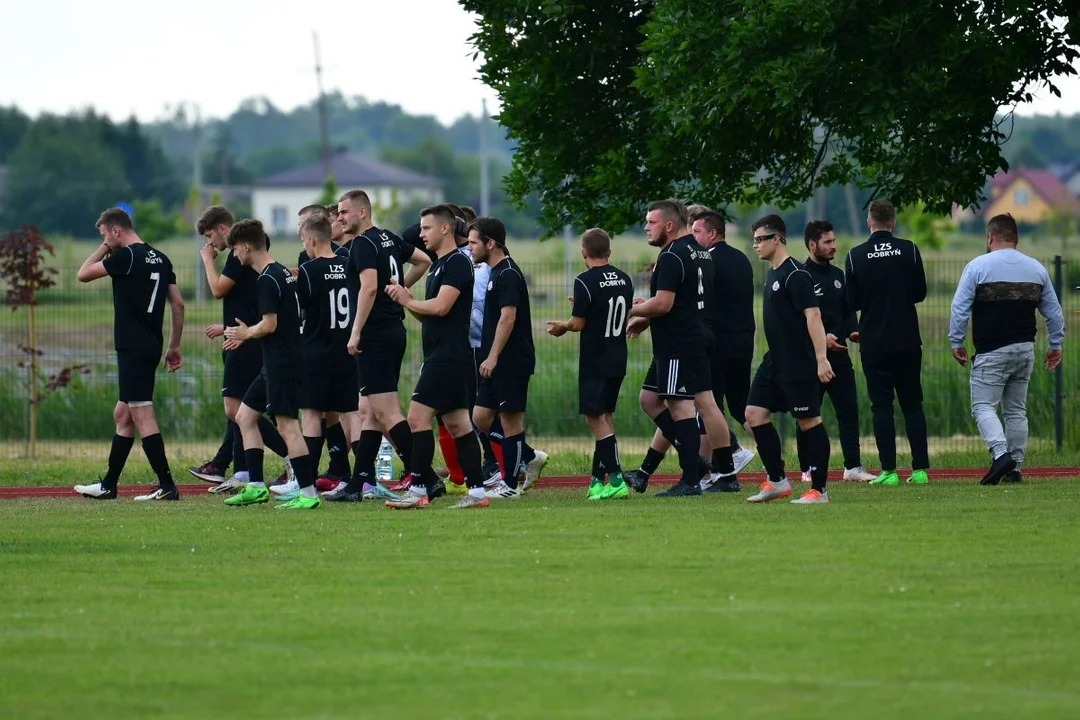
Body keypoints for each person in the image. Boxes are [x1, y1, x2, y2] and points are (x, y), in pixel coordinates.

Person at [624, 200, 735, 497]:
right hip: (697, 335)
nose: (646, 227)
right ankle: (718, 469)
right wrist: (645, 317)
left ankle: (690, 479)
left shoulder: (671, 255)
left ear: (669, 225)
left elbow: (664, 303)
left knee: (680, 406)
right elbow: (682, 301)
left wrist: (631, 312)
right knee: (652, 398)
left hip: (679, 342)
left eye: (651, 222)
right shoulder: (701, 251)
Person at [384, 204, 491, 509]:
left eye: (426, 228)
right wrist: (408, 302)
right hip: (446, 356)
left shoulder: (458, 262)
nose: (421, 234)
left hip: (447, 358)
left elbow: (442, 307)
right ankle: (478, 493)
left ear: (445, 228)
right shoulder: (439, 264)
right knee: (459, 426)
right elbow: (434, 315)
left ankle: (419, 490)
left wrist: (409, 299)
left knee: (417, 418)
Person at [74, 208, 184, 501]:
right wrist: (174, 346)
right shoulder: (161, 258)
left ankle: (167, 485)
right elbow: (178, 305)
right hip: (151, 344)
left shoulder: (126, 256)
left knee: (141, 413)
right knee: (123, 414)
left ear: (115, 231)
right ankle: (109, 484)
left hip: (132, 347)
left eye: (104, 234)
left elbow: (82, 274)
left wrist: (104, 247)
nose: (105, 241)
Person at [948, 213, 1065, 485]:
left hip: (991, 350)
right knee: (1015, 410)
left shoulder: (977, 267)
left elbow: (959, 308)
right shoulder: (1036, 269)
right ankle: (1015, 468)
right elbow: (1054, 313)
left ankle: (1000, 454)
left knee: (983, 407)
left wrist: (956, 341)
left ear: (990, 237)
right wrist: (1055, 345)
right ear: (1016, 238)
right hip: (1025, 350)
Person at [193, 205, 292, 496]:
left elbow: (217, 289)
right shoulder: (251, 253)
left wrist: (207, 261)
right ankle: (243, 471)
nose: (210, 243)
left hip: (244, 339)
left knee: (238, 410)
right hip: (240, 334)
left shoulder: (238, 255)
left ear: (224, 229)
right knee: (241, 411)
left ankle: (290, 458)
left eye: (211, 235)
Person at [221, 220, 319, 509]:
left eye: (236, 249)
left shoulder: (266, 278)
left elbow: (270, 324)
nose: (235, 256)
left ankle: (309, 494)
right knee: (244, 416)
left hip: (282, 363)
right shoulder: (282, 274)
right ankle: (255, 486)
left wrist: (245, 333)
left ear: (247, 246)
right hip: (276, 361)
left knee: (287, 426)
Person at [340, 189, 432, 497]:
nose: (340, 217)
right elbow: (422, 260)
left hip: (375, 334)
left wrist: (355, 332)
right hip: (393, 329)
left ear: (362, 212)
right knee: (369, 412)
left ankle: (426, 477)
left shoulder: (362, 244)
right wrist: (400, 288)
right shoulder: (388, 239)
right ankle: (357, 484)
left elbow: (368, 289)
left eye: (344, 212)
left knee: (388, 412)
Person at [742, 215, 835, 504]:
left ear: (776, 239)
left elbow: (814, 316)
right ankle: (777, 481)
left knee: (808, 421)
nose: (755, 245)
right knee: (754, 414)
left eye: (759, 239)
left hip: (798, 362)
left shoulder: (795, 274)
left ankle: (819, 490)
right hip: (775, 361)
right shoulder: (772, 273)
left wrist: (821, 359)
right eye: (754, 239)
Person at [845, 200, 929, 486]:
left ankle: (889, 471)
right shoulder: (910, 250)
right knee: (912, 404)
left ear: (870, 223)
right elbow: (920, 293)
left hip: (874, 341)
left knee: (881, 406)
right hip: (907, 339)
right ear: (893, 223)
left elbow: (852, 301)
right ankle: (919, 471)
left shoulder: (856, 256)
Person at [547, 228, 634, 500]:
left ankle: (617, 479)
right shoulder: (624, 278)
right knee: (605, 417)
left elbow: (579, 323)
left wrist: (563, 326)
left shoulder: (583, 280)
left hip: (595, 358)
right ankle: (598, 482)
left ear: (583, 253)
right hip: (618, 354)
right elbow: (614, 308)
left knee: (593, 419)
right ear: (609, 252)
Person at [468, 217, 548, 499]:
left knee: (511, 422)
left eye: (473, 242)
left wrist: (491, 356)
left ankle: (510, 485)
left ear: (491, 243)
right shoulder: (493, 272)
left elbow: (508, 318)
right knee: (480, 417)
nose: (469, 247)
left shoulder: (509, 273)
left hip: (510, 361)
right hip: (495, 361)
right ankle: (529, 456)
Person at [287, 215, 364, 502]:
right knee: (351, 414)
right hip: (346, 350)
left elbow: (301, 313)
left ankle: (304, 485)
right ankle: (362, 481)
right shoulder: (349, 266)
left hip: (316, 352)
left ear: (312, 240)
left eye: (303, 240)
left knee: (311, 415)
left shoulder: (308, 270)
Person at [799, 221, 876, 483]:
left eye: (834, 241)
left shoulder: (837, 275)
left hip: (839, 358)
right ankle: (807, 468)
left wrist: (853, 331)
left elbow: (846, 312)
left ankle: (852, 467)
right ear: (812, 244)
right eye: (828, 242)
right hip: (811, 358)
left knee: (848, 410)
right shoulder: (800, 276)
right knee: (808, 412)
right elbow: (797, 319)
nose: (834, 246)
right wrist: (822, 339)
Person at [691, 210, 757, 476]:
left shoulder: (706, 261)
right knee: (743, 408)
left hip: (718, 343)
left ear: (712, 233)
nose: (693, 237)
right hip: (744, 340)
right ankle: (774, 458)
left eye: (696, 232)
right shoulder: (742, 258)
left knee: (708, 406)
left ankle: (713, 467)